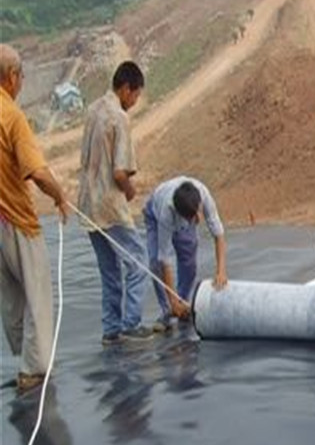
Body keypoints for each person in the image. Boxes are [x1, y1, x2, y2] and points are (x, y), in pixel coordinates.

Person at [0, 43, 70, 392]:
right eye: (21, 75)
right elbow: (36, 172)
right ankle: (32, 370)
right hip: (16, 221)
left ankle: (24, 355)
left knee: (11, 296)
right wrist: (59, 195)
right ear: (12, 77)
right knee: (37, 294)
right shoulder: (11, 116)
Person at [78, 60, 152, 346]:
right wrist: (131, 192)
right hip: (109, 205)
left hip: (88, 205)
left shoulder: (93, 110)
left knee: (109, 269)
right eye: (135, 95)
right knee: (138, 262)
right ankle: (131, 326)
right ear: (125, 89)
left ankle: (111, 330)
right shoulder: (119, 117)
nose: (134, 102)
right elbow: (120, 172)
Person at [143, 176, 228, 331]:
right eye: (190, 218)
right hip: (154, 214)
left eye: (197, 213)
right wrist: (172, 301)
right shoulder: (166, 213)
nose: (196, 220)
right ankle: (168, 311)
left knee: (189, 262)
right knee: (155, 264)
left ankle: (182, 304)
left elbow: (219, 235)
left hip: (183, 212)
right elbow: (165, 259)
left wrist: (221, 271)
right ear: (180, 214)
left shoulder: (203, 195)